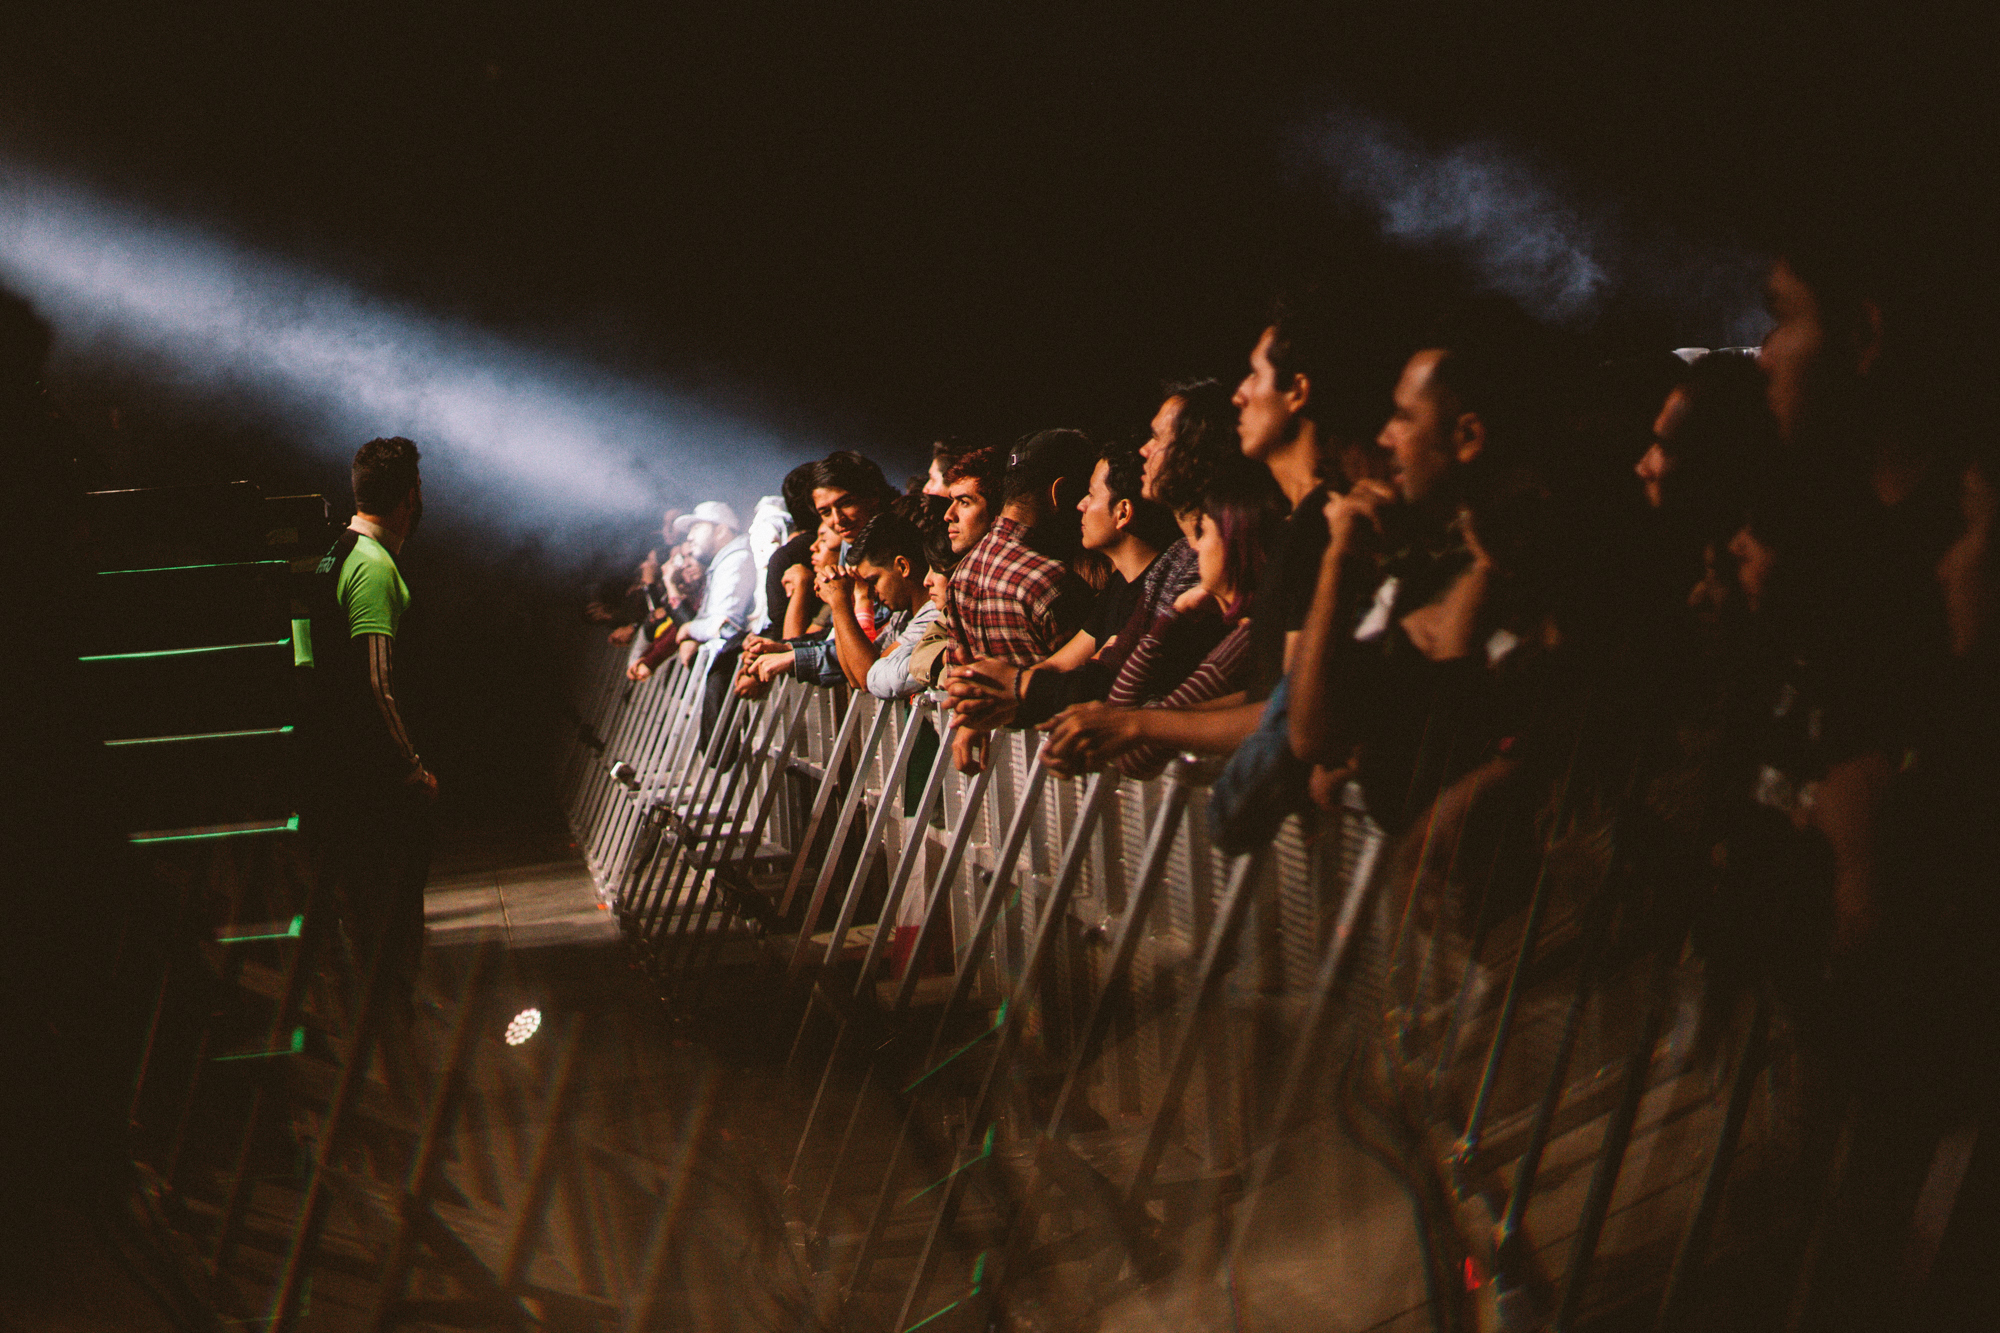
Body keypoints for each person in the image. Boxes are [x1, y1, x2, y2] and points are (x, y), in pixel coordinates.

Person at [1042, 477, 1284, 778]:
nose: (1193, 548)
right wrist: (1170, 618)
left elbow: (1139, 754)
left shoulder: (1255, 634)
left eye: (1203, 532)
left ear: (1237, 545)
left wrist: (1136, 724)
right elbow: (1131, 715)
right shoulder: (1247, 629)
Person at [310, 436, 437, 1013]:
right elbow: (376, 683)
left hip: (331, 764)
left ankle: (377, 1017)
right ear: (411, 496)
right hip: (371, 777)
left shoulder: (333, 553)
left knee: (360, 909)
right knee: (391, 904)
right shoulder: (373, 569)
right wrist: (412, 769)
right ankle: (392, 1017)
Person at [946, 436, 1188, 729]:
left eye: (1091, 494)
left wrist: (1007, 692)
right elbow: (1061, 664)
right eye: (1083, 492)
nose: (1081, 505)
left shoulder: (1165, 589)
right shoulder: (1117, 585)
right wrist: (994, 701)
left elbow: (1097, 676)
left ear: (1123, 512)